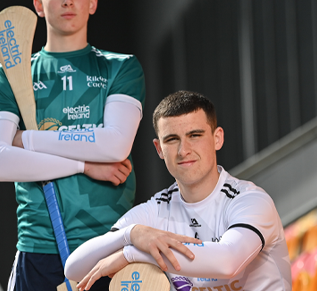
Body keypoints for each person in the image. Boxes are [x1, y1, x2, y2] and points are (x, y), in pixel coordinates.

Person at [0, 0, 146, 291]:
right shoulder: (10, 74)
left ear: (93, 2)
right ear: (39, 5)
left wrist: (27, 140)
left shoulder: (120, 68)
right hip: (38, 245)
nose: (68, 0)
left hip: (107, 244)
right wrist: (84, 164)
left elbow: (115, 144)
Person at [64, 91, 292, 291]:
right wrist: (131, 234)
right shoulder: (156, 210)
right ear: (159, 149)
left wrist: (130, 254)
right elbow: (73, 268)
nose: (184, 150)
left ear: (217, 138)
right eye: (172, 140)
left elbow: (228, 261)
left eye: (195, 135)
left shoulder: (250, 200)